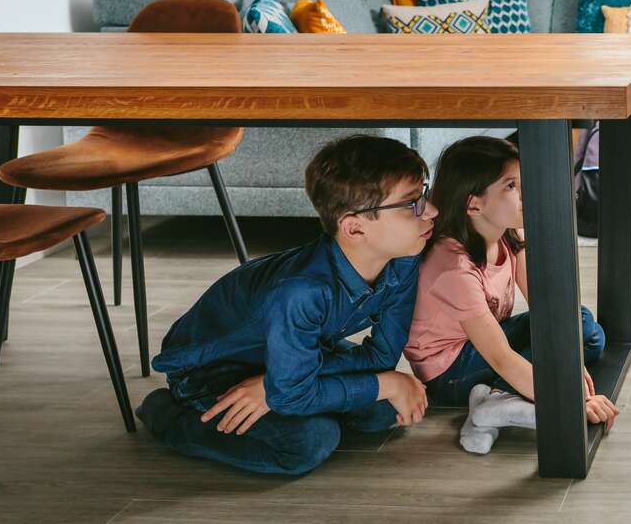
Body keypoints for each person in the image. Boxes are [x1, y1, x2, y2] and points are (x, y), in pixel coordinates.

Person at [135, 135, 437, 475]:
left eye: (424, 195)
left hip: (297, 353)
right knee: (310, 441)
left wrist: (276, 387)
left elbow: (380, 357)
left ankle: (296, 389)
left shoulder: (404, 258)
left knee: (382, 411)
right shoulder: (301, 292)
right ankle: (167, 415)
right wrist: (387, 383)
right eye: (412, 204)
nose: (432, 211)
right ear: (354, 228)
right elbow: (310, 389)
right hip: (213, 366)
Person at [403, 136, 619, 454]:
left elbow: (547, 308)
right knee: (551, 353)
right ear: (473, 204)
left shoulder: (506, 231)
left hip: (485, 344)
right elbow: (501, 357)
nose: (526, 192)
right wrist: (572, 400)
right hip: (450, 372)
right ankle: (497, 403)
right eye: (511, 186)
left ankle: (492, 402)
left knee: (583, 328)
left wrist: (571, 364)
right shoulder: (454, 268)